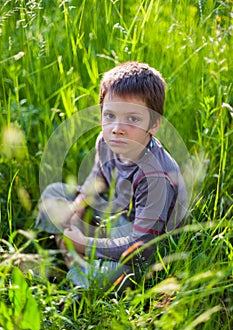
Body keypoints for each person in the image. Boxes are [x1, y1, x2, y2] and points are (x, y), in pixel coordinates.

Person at [36, 61, 187, 294]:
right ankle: (74, 264)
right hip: (113, 215)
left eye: (133, 119)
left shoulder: (157, 177)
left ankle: (79, 271)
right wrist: (77, 207)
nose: (117, 128)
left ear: (154, 124)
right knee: (54, 194)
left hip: (142, 240)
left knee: (114, 276)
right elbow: (99, 176)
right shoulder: (106, 142)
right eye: (110, 115)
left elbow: (141, 247)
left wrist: (86, 245)